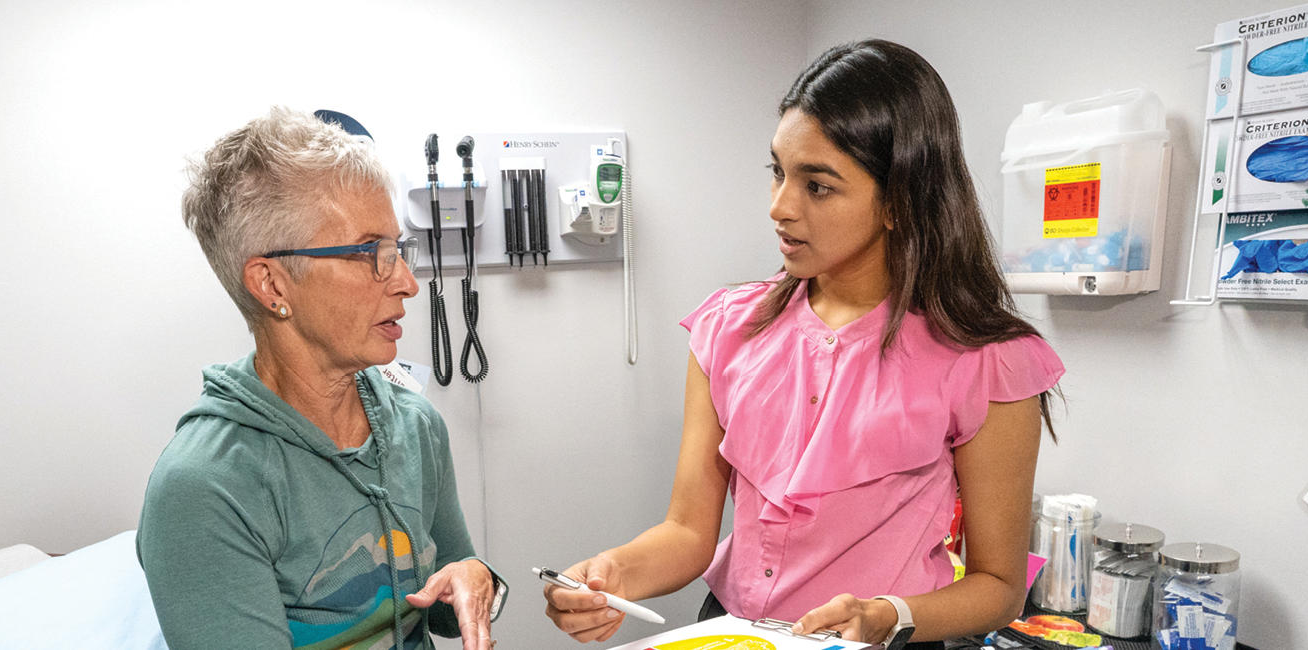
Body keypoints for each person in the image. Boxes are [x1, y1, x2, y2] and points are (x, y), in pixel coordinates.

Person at [542, 40, 1064, 649]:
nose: (779, 207)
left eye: (817, 186)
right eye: (777, 172)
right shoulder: (728, 329)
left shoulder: (984, 359)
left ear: (898, 201)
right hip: (734, 632)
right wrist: (610, 574)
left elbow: (998, 585)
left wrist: (890, 613)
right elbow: (688, 531)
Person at [139, 105, 505, 650]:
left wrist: (479, 580)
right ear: (272, 284)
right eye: (371, 253)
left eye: (398, 250)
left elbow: (448, 603)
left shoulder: (415, 426)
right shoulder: (206, 488)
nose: (406, 281)